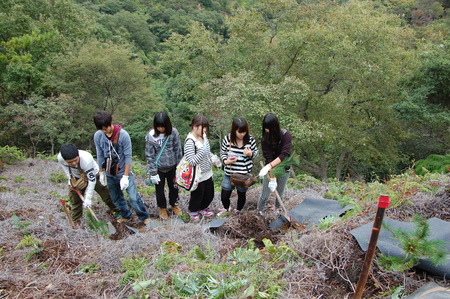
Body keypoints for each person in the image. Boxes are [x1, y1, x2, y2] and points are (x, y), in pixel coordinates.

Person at [93, 110, 151, 224]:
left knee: (133, 197)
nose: (106, 131)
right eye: (103, 129)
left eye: (107, 127)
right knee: (116, 197)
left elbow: (128, 156)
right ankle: (126, 215)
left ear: (111, 122)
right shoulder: (98, 136)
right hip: (109, 172)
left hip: (123, 171)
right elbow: (100, 153)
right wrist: (101, 172)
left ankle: (144, 216)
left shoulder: (123, 135)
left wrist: (125, 176)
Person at [57, 143, 120, 226]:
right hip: (77, 177)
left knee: (106, 195)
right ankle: (76, 221)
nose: (73, 163)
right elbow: (66, 170)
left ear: (78, 155)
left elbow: (92, 180)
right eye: (70, 162)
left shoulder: (86, 159)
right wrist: (70, 181)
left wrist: (88, 198)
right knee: (75, 200)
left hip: (93, 175)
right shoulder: (60, 158)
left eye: (75, 160)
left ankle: (118, 211)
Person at [145, 112, 183, 220]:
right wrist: (153, 172)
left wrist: (180, 167)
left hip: (172, 166)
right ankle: (162, 207)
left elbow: (178, 150)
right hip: (159, 168)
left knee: (174, 187)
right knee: (159, 190)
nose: (161, 129)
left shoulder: (173, 133)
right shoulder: (151, 136)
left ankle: (174, 204)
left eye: (163, 126)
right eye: (159, 126)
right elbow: (149, 154)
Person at [218, 118, 258, 215]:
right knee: (224, 195)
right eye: (240, 132)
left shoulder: (250, 139)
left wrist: (250, 154)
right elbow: (223, 153)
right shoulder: (228, 139)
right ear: (234, 130)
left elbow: (256, 153)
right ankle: (227, 209)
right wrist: (226, 161)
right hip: (230, 173)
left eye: (244, 132)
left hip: (244, 174)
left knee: (241, 194)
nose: (242, 134)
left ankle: (238, 210)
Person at [183, 115, 220, 221]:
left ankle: (202, 208)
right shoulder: (190, 141)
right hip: (197, 174)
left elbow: (207, 152)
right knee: (197, 195)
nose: (204, 130)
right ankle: (193, 210)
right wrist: (200, 151)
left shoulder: (204, 136)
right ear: (194, 126)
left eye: (205, 128)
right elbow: (191, 161)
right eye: (201, 128)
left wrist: (213, 158)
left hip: (207, 171)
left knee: (209, 194)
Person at [257, 113, 293, 214]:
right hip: (270, 169)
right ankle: (259, 211)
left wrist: (269, 166)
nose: (267, 131)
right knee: (265, 194)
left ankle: (277, 210)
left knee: (279, 193)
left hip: (284, 168)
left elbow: (284, 154)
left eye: (269, 128)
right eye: (266, 128)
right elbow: (268, 157)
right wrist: (271, 175)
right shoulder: (265, 138)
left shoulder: (286, 135)